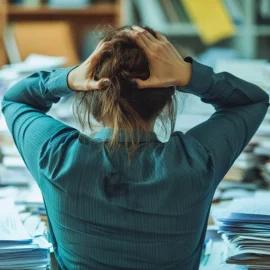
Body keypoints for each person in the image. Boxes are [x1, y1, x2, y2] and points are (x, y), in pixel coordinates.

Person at [1, 25, 269, 270]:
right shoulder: (195, 161)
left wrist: (68, 78)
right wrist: (189, 75)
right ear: (167, 97)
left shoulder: (57, 156)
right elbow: (251, 101)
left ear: (90, 90)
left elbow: (15, 101)